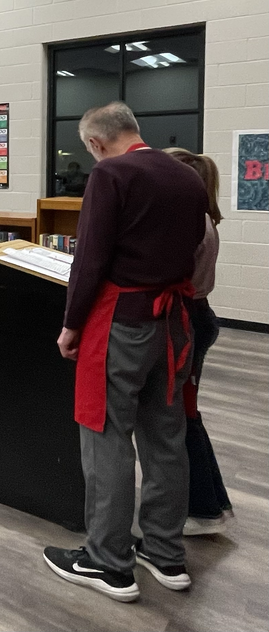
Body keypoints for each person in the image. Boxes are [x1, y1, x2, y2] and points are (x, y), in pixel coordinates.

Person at [44, 101, 207, 603]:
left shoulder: (111, 174)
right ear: (135, 129)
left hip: (123, 322)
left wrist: (72, 324)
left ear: (95, 143)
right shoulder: (188, 176)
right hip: (175, 325)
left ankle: (109, 562)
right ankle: (164, 551)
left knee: (107, 435)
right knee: (166, 435)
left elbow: (90, 257)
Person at [165, 147, 233, 535]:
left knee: (183, 418)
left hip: (189, 320)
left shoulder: (191, 224)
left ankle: (204, 507)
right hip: (197, 317)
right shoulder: (203, 218)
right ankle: (211, 502)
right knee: (186, 415)